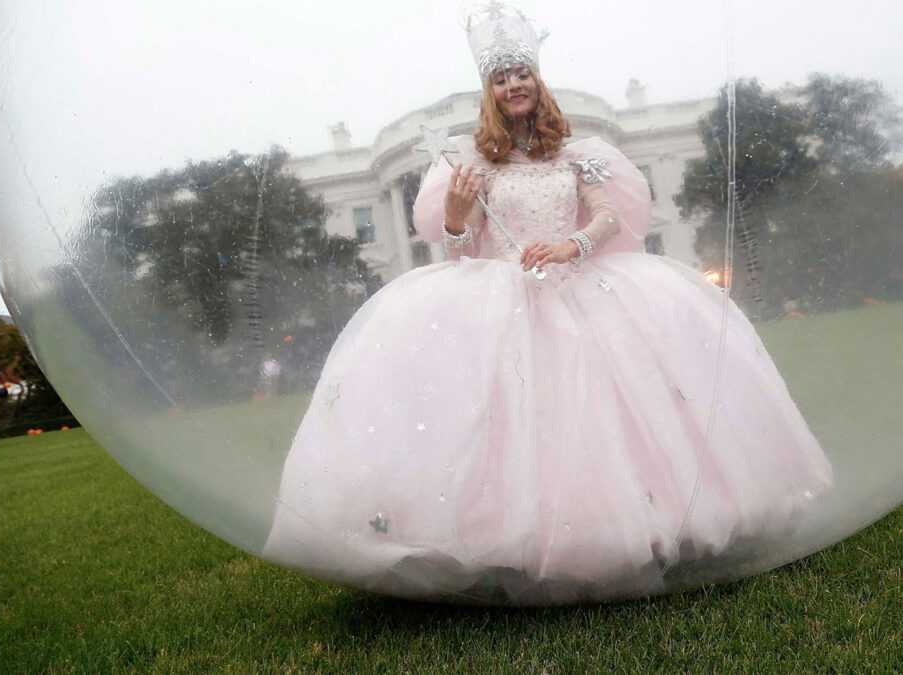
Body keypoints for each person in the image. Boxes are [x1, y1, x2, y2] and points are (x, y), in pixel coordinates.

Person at [263, 3, 831, 604]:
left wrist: (572, 244)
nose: (514, 86)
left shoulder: (575, 153)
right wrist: (457, 216)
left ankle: (646, 524)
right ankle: (502, 541)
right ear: (490, 91)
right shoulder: (472, 160)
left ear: (538, 81)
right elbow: (460, 252)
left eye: (522, 74)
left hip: (579, 288)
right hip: (502, 301)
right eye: (501, 78)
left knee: (616, 412)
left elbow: (610, 215)